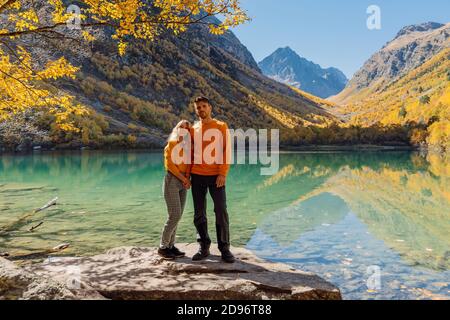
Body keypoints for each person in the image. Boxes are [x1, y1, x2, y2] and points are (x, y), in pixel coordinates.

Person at [188, 96, 235, 263]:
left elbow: (226, 151)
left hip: (216, 176)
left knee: (221, 210)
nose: (201, 109)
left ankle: (225, 248)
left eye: (204, 106)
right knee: (199, 213)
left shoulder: (221, 126)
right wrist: (187, 175)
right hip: (197, 175)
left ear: (210, 108)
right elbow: (189, 154)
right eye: (198, 107)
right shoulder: (194, 129)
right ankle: (204, 246)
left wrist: (223, 173)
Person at [158, 120, 192, 260]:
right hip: (172, 180)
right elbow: (170, 166)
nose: (184, 130)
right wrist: (184, 179)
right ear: (176, 129)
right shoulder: (171, 145)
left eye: (186, 128)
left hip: (183, 182)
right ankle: (163, 247)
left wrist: (187, 178)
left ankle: (171, 246)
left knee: (178, 215)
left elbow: (189, 164)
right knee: (174, 215)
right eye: (181, 127)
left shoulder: (187, 147)